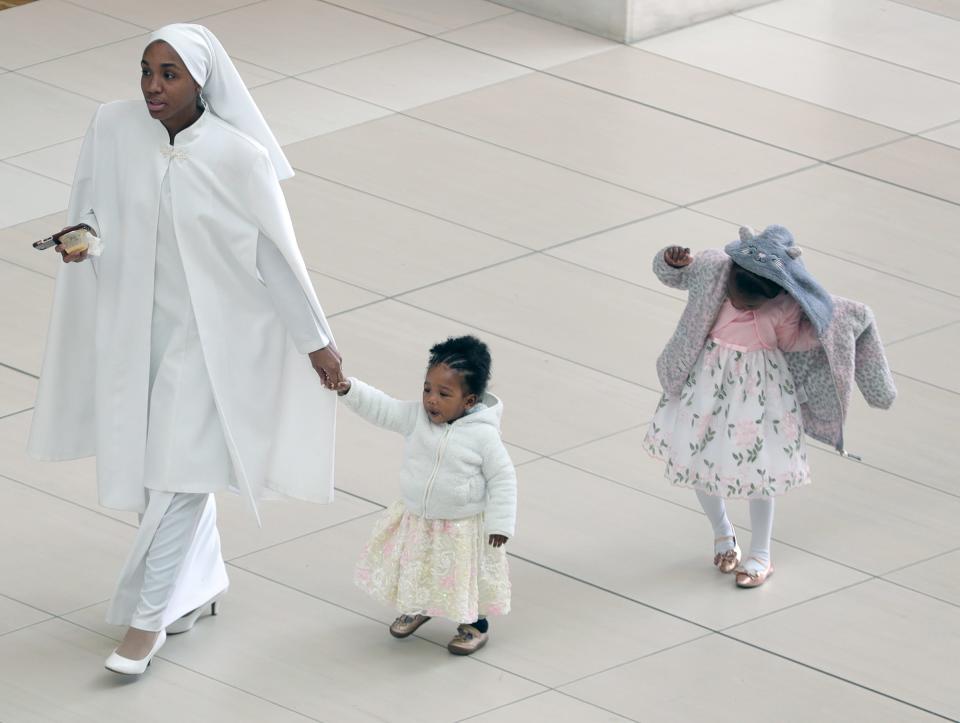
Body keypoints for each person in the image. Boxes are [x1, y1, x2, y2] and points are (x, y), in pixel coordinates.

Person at [28, 23, 344, 675]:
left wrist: (317, 343)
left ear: (202, 81)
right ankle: (197, 589)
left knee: (177, 474)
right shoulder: (113, 128)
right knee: (158, 478)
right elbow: (99, 212)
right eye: (145, 71)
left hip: (210, 343)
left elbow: (275, 256)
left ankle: (146, 625)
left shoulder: (238, 157)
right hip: (138, 332)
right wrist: (84, 241)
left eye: (169, 74)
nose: (152, 87)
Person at [644, 225, 896, 587]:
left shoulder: (785, 306)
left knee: (759, 475)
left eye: (752, 305)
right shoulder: (714, 268)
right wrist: (671, 260)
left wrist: (831, 328)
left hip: (759, 396)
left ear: (776, 294)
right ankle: (723, 532)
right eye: (737, 298)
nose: (742, 306)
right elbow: (673, 276)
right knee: (699, 460)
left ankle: (760, 553)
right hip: (705, 387)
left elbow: (794, 341)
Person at [337, 336, 516, 655]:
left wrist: (501, 524)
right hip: (420, 518)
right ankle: (420, 605)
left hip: (462, 527)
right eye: (427, 389)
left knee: (464, 576)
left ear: (470, 400)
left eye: (444, 394)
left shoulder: (484, 437)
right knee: (419, 567)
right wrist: (349, 389)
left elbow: (503, 478)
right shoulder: (416, 418)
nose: (431, 400)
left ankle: (475, 625)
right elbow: (383, 408)